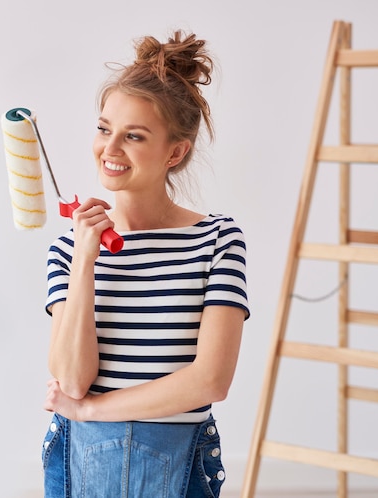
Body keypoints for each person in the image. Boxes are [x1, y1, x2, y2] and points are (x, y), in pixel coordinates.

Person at [41, 29, 250, 498]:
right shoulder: (69, 248)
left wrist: (95, 409)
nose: (110, 149)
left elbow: (211, 381)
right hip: (80, 457)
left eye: (133, 136)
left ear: (175, 152)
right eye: (103, 129)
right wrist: (84, 262)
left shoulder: (216, 240)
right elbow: (73, 380)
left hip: (178, 460)